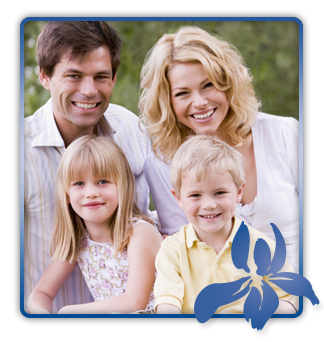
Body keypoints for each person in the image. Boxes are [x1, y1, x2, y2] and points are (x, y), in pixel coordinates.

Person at [139, 26, 299, 271]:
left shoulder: (285, 134)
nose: (200, 102)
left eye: (208, 85)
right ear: (167, 102)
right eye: (182, 93)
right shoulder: (163, 161)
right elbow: (182, 251)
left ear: (228, 83)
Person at [24, 21, 152, 314]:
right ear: (44, 76)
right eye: (74, 75)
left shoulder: (131, 128)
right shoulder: (16, 150)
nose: (89, 90)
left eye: (101, 76)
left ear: (114, 78)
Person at [154, 135, 298, 315]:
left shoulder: (263, 247)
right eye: (195, 195)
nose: (208, 204)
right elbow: (167, 305)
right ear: (178, 198)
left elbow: (288, 300)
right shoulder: (172, 250)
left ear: (238, 192)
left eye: (219, 192)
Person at [28, 135, 162, 314]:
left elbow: (135, 301)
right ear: (67, 195)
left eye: (102, 182)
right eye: (79, 183)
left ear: (122, 186)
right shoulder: (79, 241)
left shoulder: (139, 233)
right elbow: (41, 293)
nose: (91, 193)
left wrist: (68, 311)